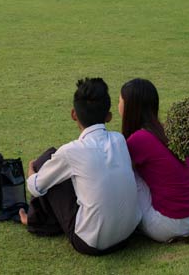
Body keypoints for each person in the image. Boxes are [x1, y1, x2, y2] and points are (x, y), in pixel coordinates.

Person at [20, 78, 140, 256]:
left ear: (73, 114)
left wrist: (31, 171)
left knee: (45, 161)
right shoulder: (119, 140)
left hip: (91, 243)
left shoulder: (71, 151)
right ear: (108, 116)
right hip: (127, 235)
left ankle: (34, 221)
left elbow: (36, 187)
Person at [119, 79, 189, 242]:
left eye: (120, 100)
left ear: (129, 106)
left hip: (168, 226)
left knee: (127, 174)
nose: (118, 105)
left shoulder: (139, 139)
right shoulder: (166, 130)